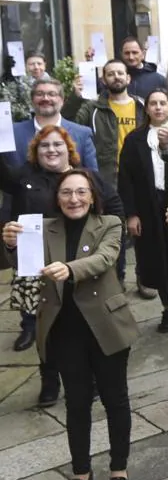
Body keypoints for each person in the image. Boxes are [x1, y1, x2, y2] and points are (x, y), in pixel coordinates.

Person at [2, 169, 137, 480]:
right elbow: (25, 268)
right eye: (66, 193)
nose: (73, 199)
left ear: (92, 196)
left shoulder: (109, 223)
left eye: (80, 192)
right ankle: (80, 472)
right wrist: (10, 245)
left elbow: (106, 258)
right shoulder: (42, 227)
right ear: (57, 198)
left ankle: (119, 470)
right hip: (64, 331)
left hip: (106, 327)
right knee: (76, 404)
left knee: (115, 400)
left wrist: (70, 269)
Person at [0, 126, 124, 405]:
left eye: (57, 145)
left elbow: (114, 206)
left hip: (80, 258)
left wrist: (111, 241)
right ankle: (49, 380)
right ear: (35, 151)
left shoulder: (85, 177)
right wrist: (10, 241)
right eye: (44, 146)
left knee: (83, 320)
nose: (51, 150)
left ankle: (89, 377)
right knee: (47, 326)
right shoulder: (25, 177)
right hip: (38, 264)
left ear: (69, 149)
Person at [118, 89, 168, 333]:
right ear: (147, 109)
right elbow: (125, 179)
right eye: (153, 103)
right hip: (147, 205)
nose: (158, 107)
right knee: (156, 257)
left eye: (163, 103)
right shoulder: (134, 139)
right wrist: (131, 213)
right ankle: (167, 307)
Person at [76, 59, 145, 188]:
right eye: (111, 74)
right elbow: (71, 122)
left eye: (120, 73)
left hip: (138, 173)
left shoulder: (142, 105)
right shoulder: (92, 107)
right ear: (103, 80)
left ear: (128, 78)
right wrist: (76, 98)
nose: (116, 77)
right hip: (106, 176)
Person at [5, 77, 98, 173]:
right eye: (39, 94)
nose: (45, 98)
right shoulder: (12, 133)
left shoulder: (82, 134)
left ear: (62, 100)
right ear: (32, 100)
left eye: (52, 94)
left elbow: (92, 177)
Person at [119, 37, 167, 101]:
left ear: (143, 54)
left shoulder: (158, 80)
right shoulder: (115, 78)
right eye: (127, 53)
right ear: (121, 55)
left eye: (135, 52)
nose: (131, 57)